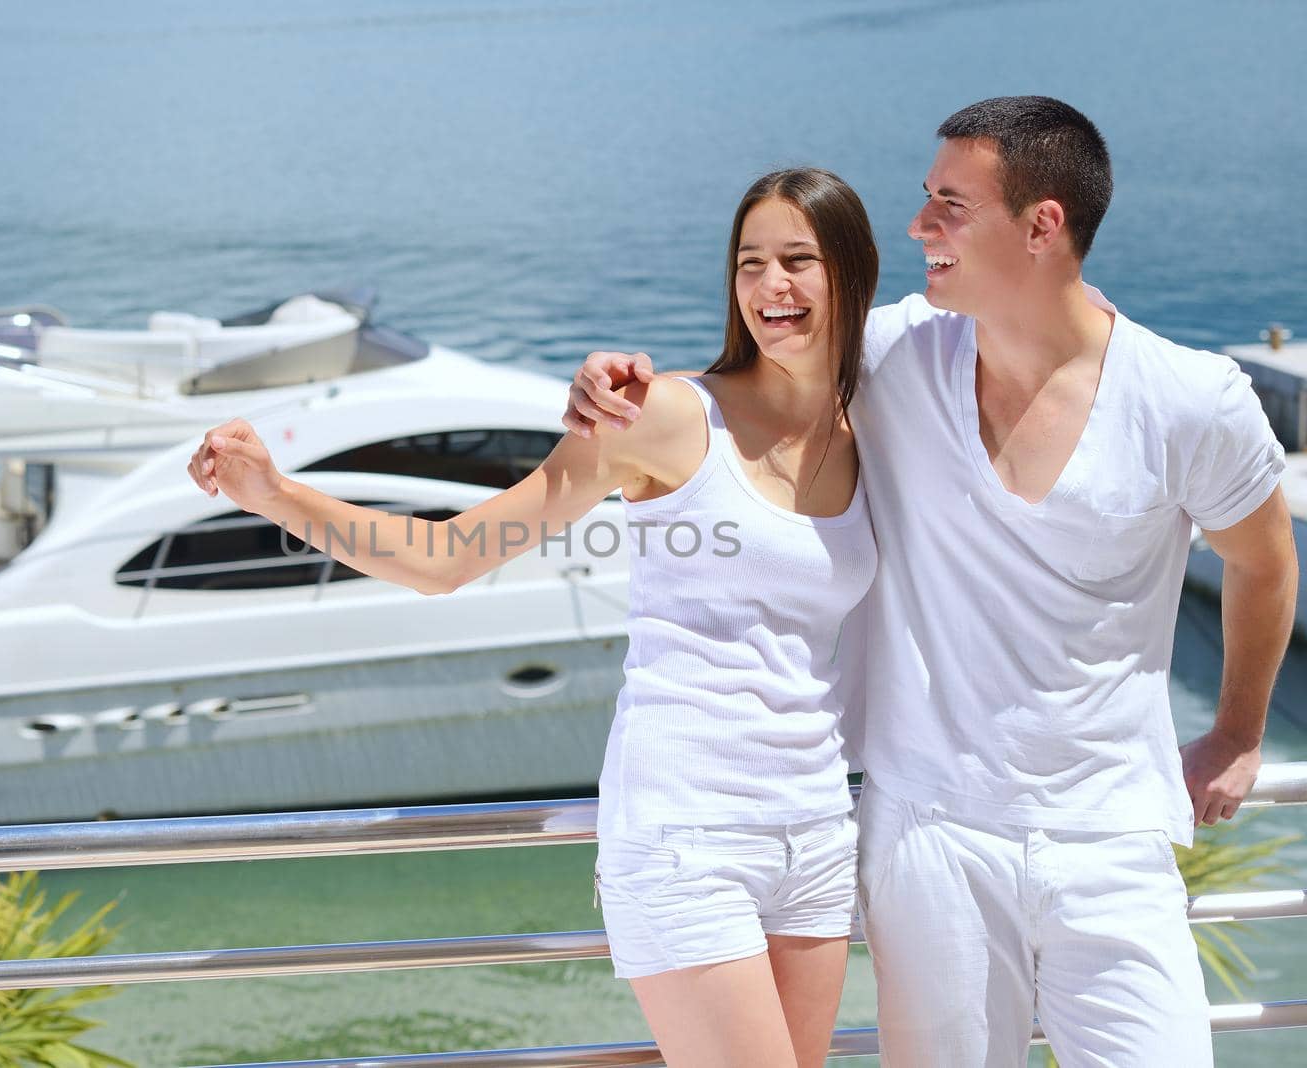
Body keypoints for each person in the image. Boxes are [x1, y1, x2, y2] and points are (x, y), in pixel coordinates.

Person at [562, 96, 1298, 1066]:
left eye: (948, 205)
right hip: (927, 836)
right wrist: (619, 382)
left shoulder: (1188, 401)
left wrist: (1239, 735)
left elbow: (1260, 559)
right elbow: (750, 380)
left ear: (1041, 226)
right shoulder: (894, 353)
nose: (916, 228)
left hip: (1112, 837)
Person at [188, 167, 880, 1068]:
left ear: (851, 274)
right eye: (751, 263)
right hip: (687, 833)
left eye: (799, 260)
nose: (769, 287)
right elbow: (448, 559)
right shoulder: (664, 417)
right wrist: (273, 492)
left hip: (818, 828)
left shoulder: (871, 427)